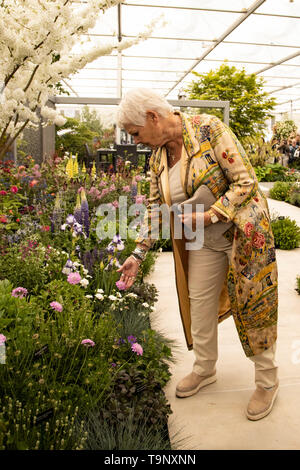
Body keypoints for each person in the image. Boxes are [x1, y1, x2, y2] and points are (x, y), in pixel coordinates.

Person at [116, 88, 279, 421]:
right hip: (202, 241)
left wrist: (210, 215)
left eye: (136, 133)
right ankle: (205, 368)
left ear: (152, 117)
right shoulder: (157, 159)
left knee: (254, 306)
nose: (136, 140)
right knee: (199, 303)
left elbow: (246, 183)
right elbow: (154, 209)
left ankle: (267, 381)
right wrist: (138, 252)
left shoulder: (208, 129)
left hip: (242, 237)